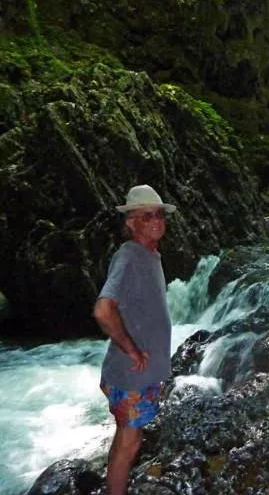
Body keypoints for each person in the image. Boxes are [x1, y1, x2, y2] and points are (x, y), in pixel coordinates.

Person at [93, 184, 175, 495]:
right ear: (131, 222)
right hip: (131, 375)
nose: (156, 220)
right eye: (146, 216)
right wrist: (132, 349)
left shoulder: (149, 255)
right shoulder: (129, 255)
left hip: (140, 373)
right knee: (129, 442)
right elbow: (103, 310)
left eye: (159, 215)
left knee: (129, 438)